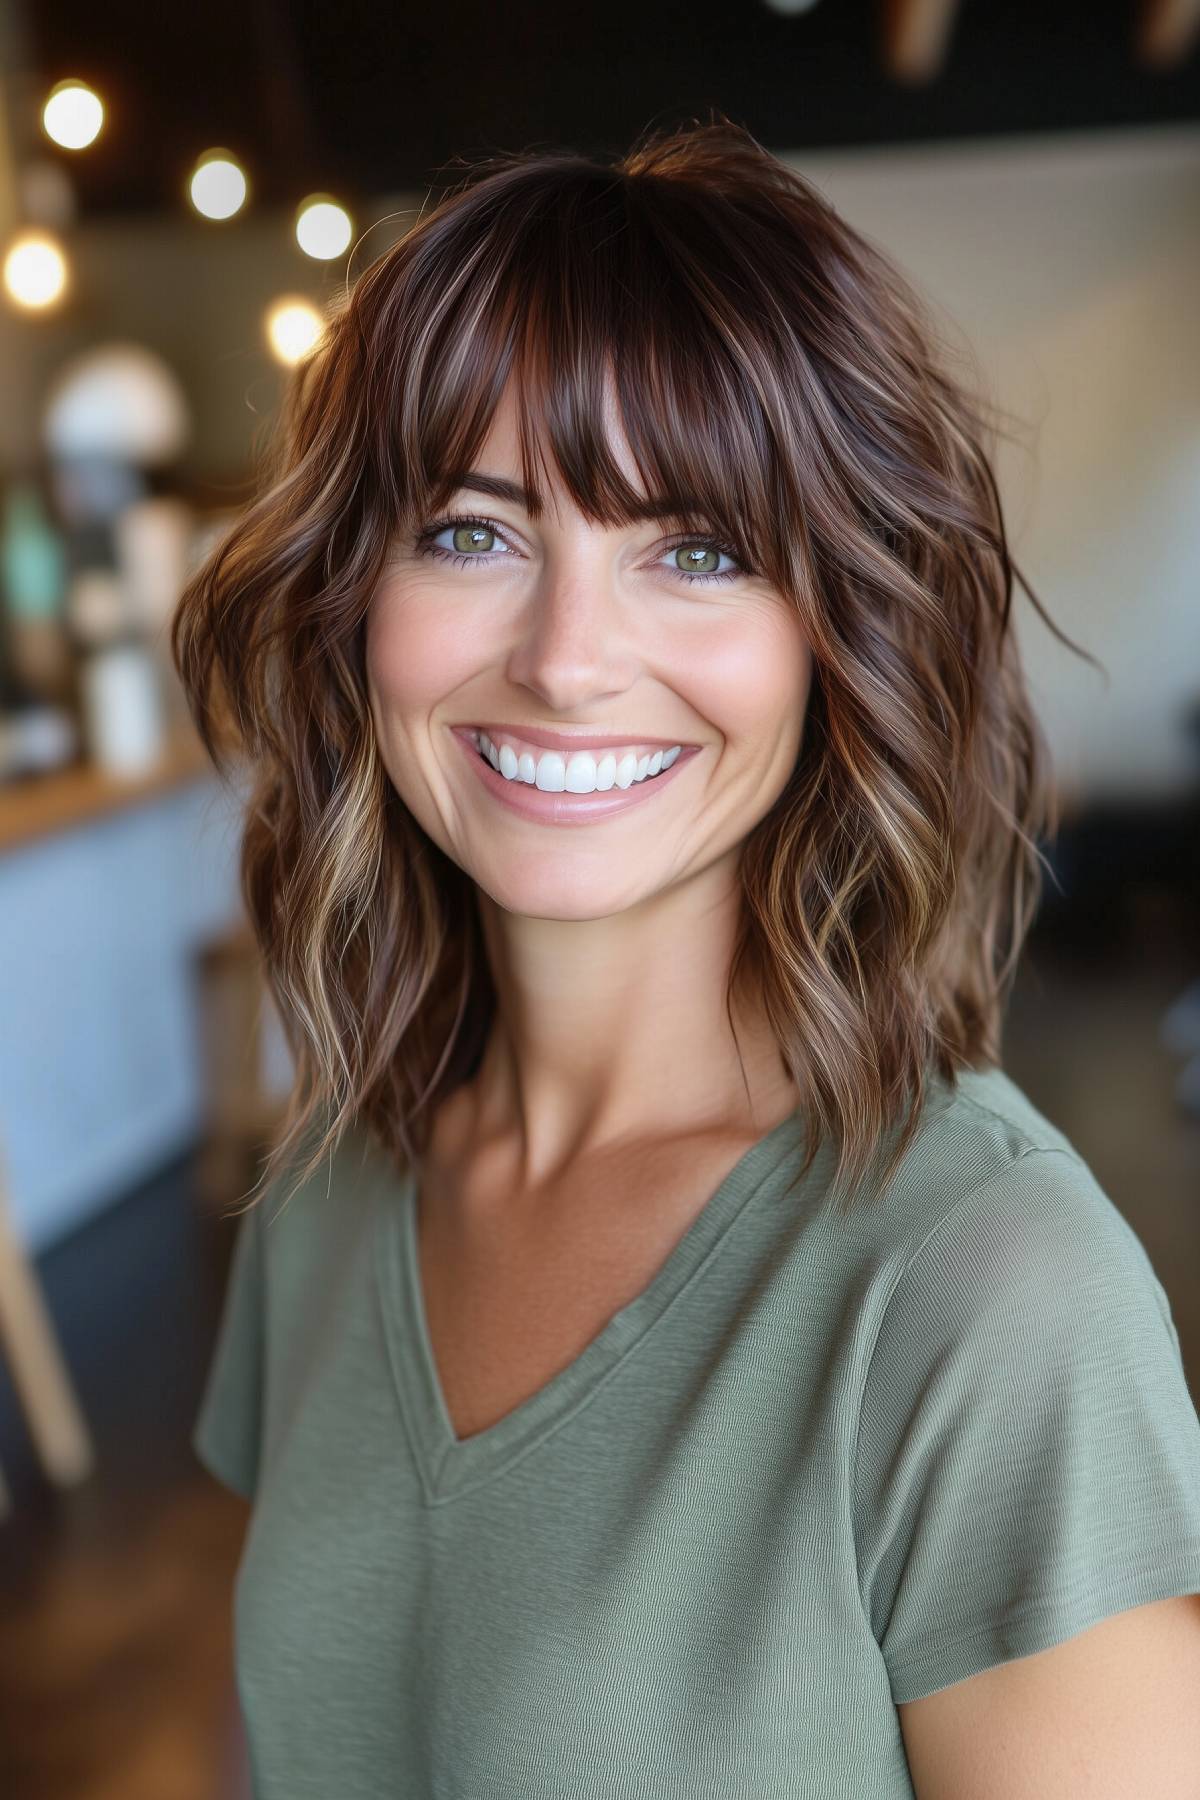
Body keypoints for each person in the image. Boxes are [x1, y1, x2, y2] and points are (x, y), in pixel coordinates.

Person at [172, 116, 1200, 1799]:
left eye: (699, 550)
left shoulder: (990, 1295)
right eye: (474, 532)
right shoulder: (332, 1184)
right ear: (358, 598)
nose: (569, 662)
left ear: (836, 632)